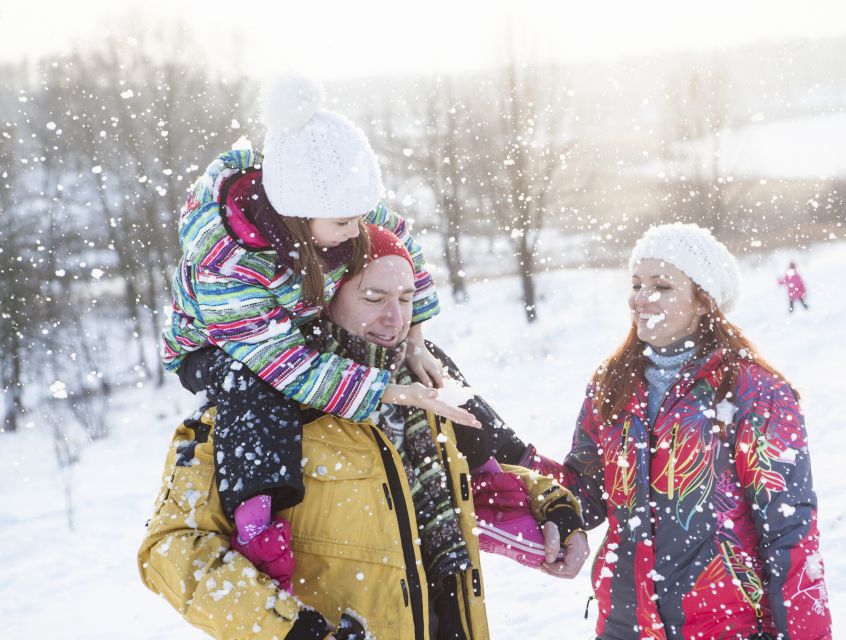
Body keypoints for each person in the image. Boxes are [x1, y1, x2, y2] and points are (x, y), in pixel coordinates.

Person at [139, 225, 589, 640]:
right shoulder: (257, 408)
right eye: (374, 298)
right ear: (325, 297)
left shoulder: (425, 391)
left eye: (407, 298)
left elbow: (471, 487)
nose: (394, 318)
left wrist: (553, 509)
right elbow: (172, 547)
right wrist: (290, 630)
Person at [161, 77, 478, 582]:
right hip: (217, 347)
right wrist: (389, 392)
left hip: (293, 322)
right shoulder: (228, 263)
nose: (357, 230)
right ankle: (257, 517)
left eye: (356, 217)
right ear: (296, 212)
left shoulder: (333, 206)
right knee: (259, 389)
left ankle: (497, 461)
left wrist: (415, 338)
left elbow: (401, 244)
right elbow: (283, 364)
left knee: (406, 351)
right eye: (343, 223)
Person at [502, 223, 831, 639]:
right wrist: (508, 453)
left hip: (726, 625)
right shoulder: (612, 386)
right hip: (625, 622)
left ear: (703, 301)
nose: (641, 297)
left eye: (661, 286)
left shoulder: (754, 392)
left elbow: (791, 533)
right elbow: (584, 494)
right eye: (637, 283)